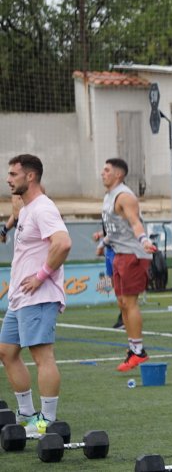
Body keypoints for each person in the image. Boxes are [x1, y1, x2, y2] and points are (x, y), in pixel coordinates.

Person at [0, 154, 72, 433]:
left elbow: (63, 243)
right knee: (6, 352)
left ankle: (47, 422)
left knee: (43, 357)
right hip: (20, 298)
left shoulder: (43, 208)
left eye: (13, 174)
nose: (8, 179)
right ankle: (28, 416)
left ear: (30, 177)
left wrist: (41, 276)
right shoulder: (26, 208)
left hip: (38, 297)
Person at [99, 158, 156, 372]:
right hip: (119, 253)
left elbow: (134, 221)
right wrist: (103, 242)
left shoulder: (125, 196)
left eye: (106, 170)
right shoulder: (109, 197)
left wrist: (144, 240)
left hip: (134, 254)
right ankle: (133, 349)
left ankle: (139, 352)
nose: (102, 173)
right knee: (122, 303)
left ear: (118, 175)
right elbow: (115, 228)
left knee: (129, 303)